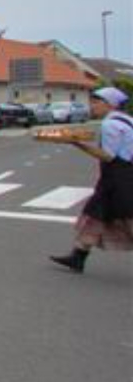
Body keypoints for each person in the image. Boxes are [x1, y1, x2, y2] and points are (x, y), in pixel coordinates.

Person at [49, 87, 133, 274]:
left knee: (127, 217)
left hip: (120, 178)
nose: (91, 106)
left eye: (95, 102)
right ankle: (78, 256)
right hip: (119, 176)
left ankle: (78, 256)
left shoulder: (109, 125)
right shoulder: (127, 120)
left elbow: (108, 156)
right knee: (95, 215)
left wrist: (75, 142)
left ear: (108, 104)